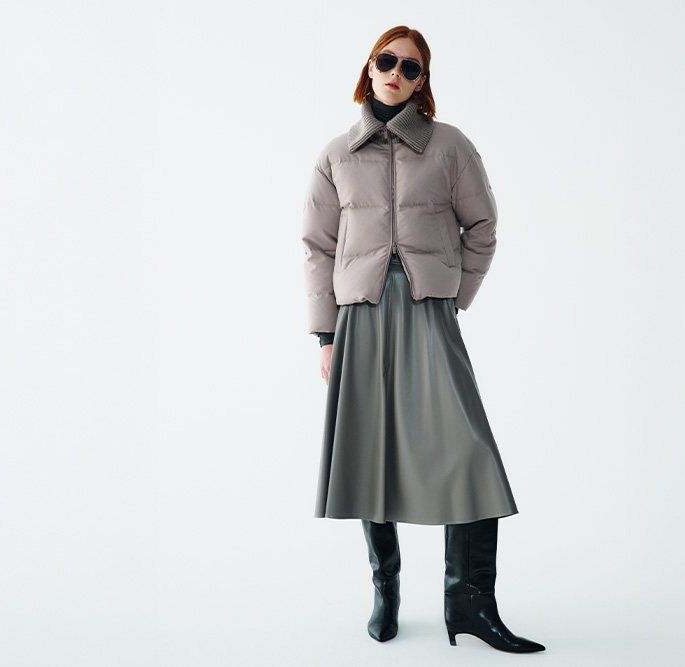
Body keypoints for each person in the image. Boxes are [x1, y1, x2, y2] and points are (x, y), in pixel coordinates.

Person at [301, 25, 545, 654]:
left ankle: (470, 604)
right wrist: (325, 334)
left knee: (470, 454)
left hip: (427, 312)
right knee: (370, 453)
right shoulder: (336, 155)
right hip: (359, 317)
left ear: (422, 81)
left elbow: (482, 227)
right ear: (368, 67)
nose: (396, 74)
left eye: (411, 68)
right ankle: (386, 589)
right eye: (387, 61)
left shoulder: (449, 146)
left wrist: (452, 295)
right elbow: (318, 248)